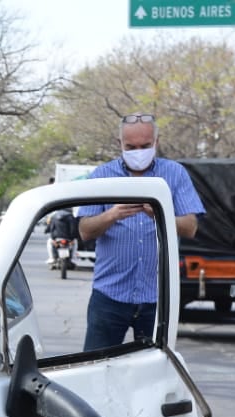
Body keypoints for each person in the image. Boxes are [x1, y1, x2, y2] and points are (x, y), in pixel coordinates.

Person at [76, 113, 204, 350]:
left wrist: (159, 213)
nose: (138, 152)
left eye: (145, 146)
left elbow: (190, 227)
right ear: (119, 144)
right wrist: (112, 214)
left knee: (153, 374)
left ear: (157, 142)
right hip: (109, 296)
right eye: (131, 147)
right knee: (94, 367)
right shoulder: (101, 176)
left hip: (157, 298)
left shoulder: (175, 174)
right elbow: (84, 230)